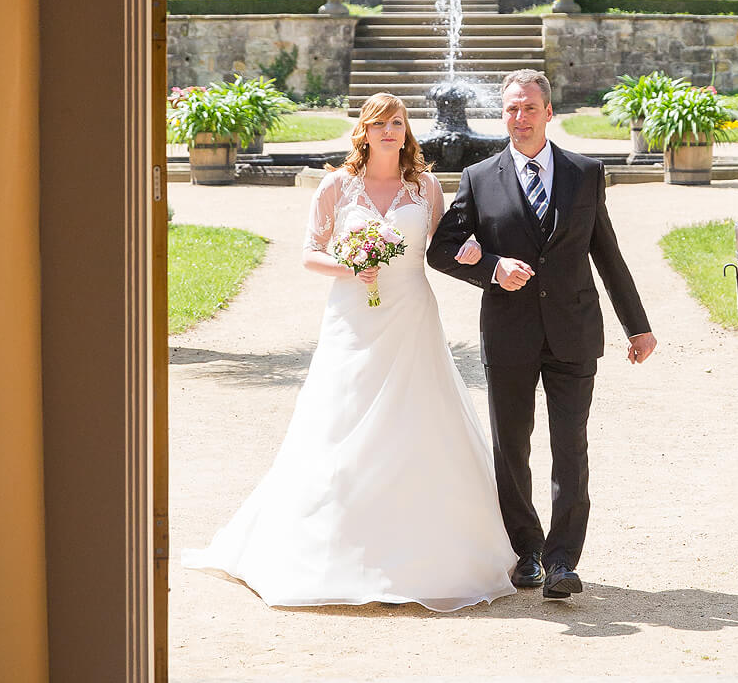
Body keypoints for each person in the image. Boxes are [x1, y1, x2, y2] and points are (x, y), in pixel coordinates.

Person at [182, 94, 515, 611]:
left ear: (407, 132)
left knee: (418, 418)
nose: (389, 131)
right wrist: (350, 267)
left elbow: (445, 245)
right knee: (340, 417)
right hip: (352, 318)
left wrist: (474, 251)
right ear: (363, 131)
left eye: (397, 122)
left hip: (409, 313)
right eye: (379, 123)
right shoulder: (337, 185)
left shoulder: (425, 187)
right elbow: (310, 254)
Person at [427, 69, 657, 600]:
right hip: (509, 334)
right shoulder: (479, 177)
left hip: (574, 332)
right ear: (502, 114)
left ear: (549, 113)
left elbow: (608, 254)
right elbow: (442, 250)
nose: (520, 117)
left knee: (570, 449)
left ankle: (562, 561)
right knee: (511, 449)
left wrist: (637, 326)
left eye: (530, 108)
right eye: (511, 108)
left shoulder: (585, 172)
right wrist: (490, 267)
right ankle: (526, 553)